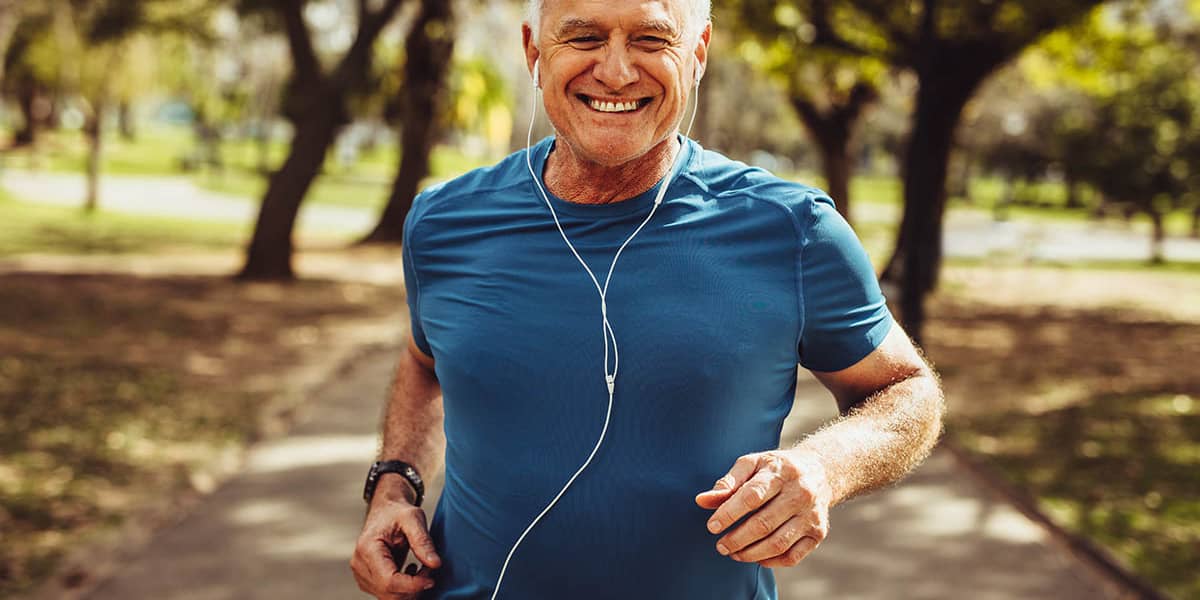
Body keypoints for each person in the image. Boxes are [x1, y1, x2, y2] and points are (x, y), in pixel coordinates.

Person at [351, 0, 944, 598]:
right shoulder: (444, 222)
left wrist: (824, 467)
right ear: (534, 51)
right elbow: (424, 363)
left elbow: (905, 390)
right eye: (583, 38)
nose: (615, 71)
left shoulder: (792, 229)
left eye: (650, 39)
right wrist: (393, 486)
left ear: (699, 51)